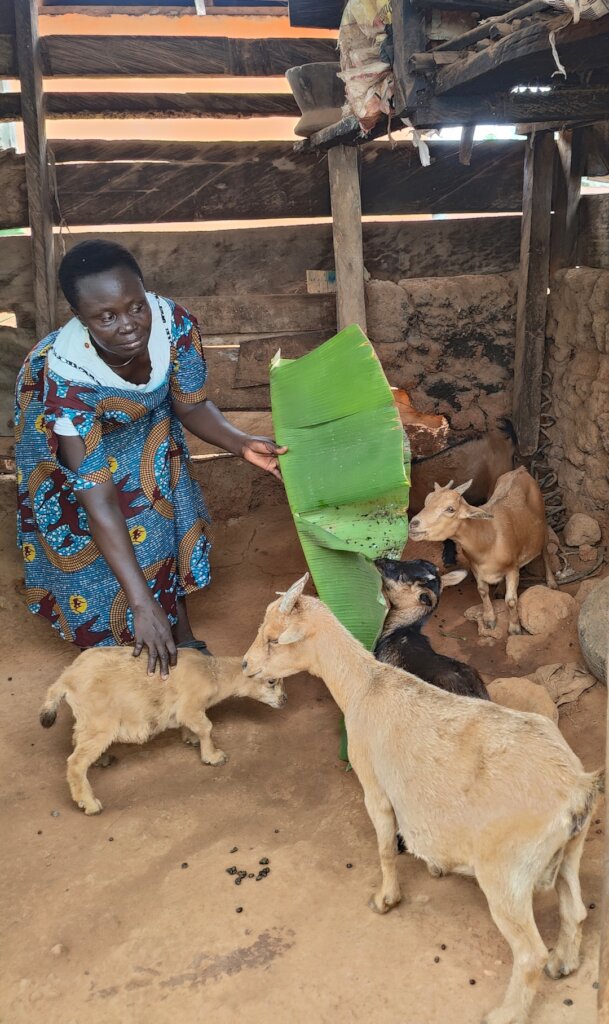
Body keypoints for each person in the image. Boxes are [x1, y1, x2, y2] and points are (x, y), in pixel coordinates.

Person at [15, 240, 286, 677]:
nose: (129, 325)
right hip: (69, 428)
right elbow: (97, 499)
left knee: (155, 498)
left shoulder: (173, 324)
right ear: (81, 319)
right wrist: (139, 603)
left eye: (135, 306)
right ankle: (131, 626)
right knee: (87, 525)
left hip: (145, 419)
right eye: (107, 316)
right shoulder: (65, 381)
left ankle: (177, 626)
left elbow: (191, 405)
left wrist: (239, 442)